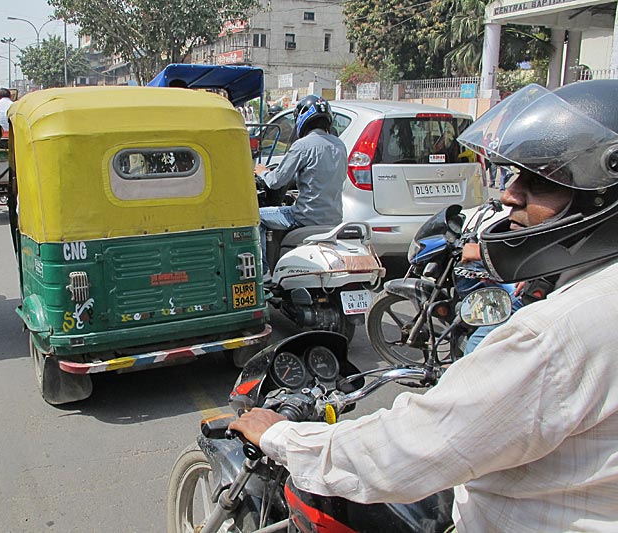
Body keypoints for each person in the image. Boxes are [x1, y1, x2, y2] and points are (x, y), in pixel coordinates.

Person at [230, 80, 618, 531]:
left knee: (258, 224)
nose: (511, 194)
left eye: (538, 180)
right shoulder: (338, 143)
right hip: (340, 219)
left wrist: (285, 437)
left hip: (504, 517)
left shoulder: (552, 336)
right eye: (513, 176)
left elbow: (415, 446)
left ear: (602, 193)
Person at [254, 95, 346, 279]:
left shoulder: (302, 146)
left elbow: (275, 181)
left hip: (305, 218)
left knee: (256, 218)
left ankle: (263, 273)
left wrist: (262, 172)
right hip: (334, 219)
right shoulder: (340, 145)